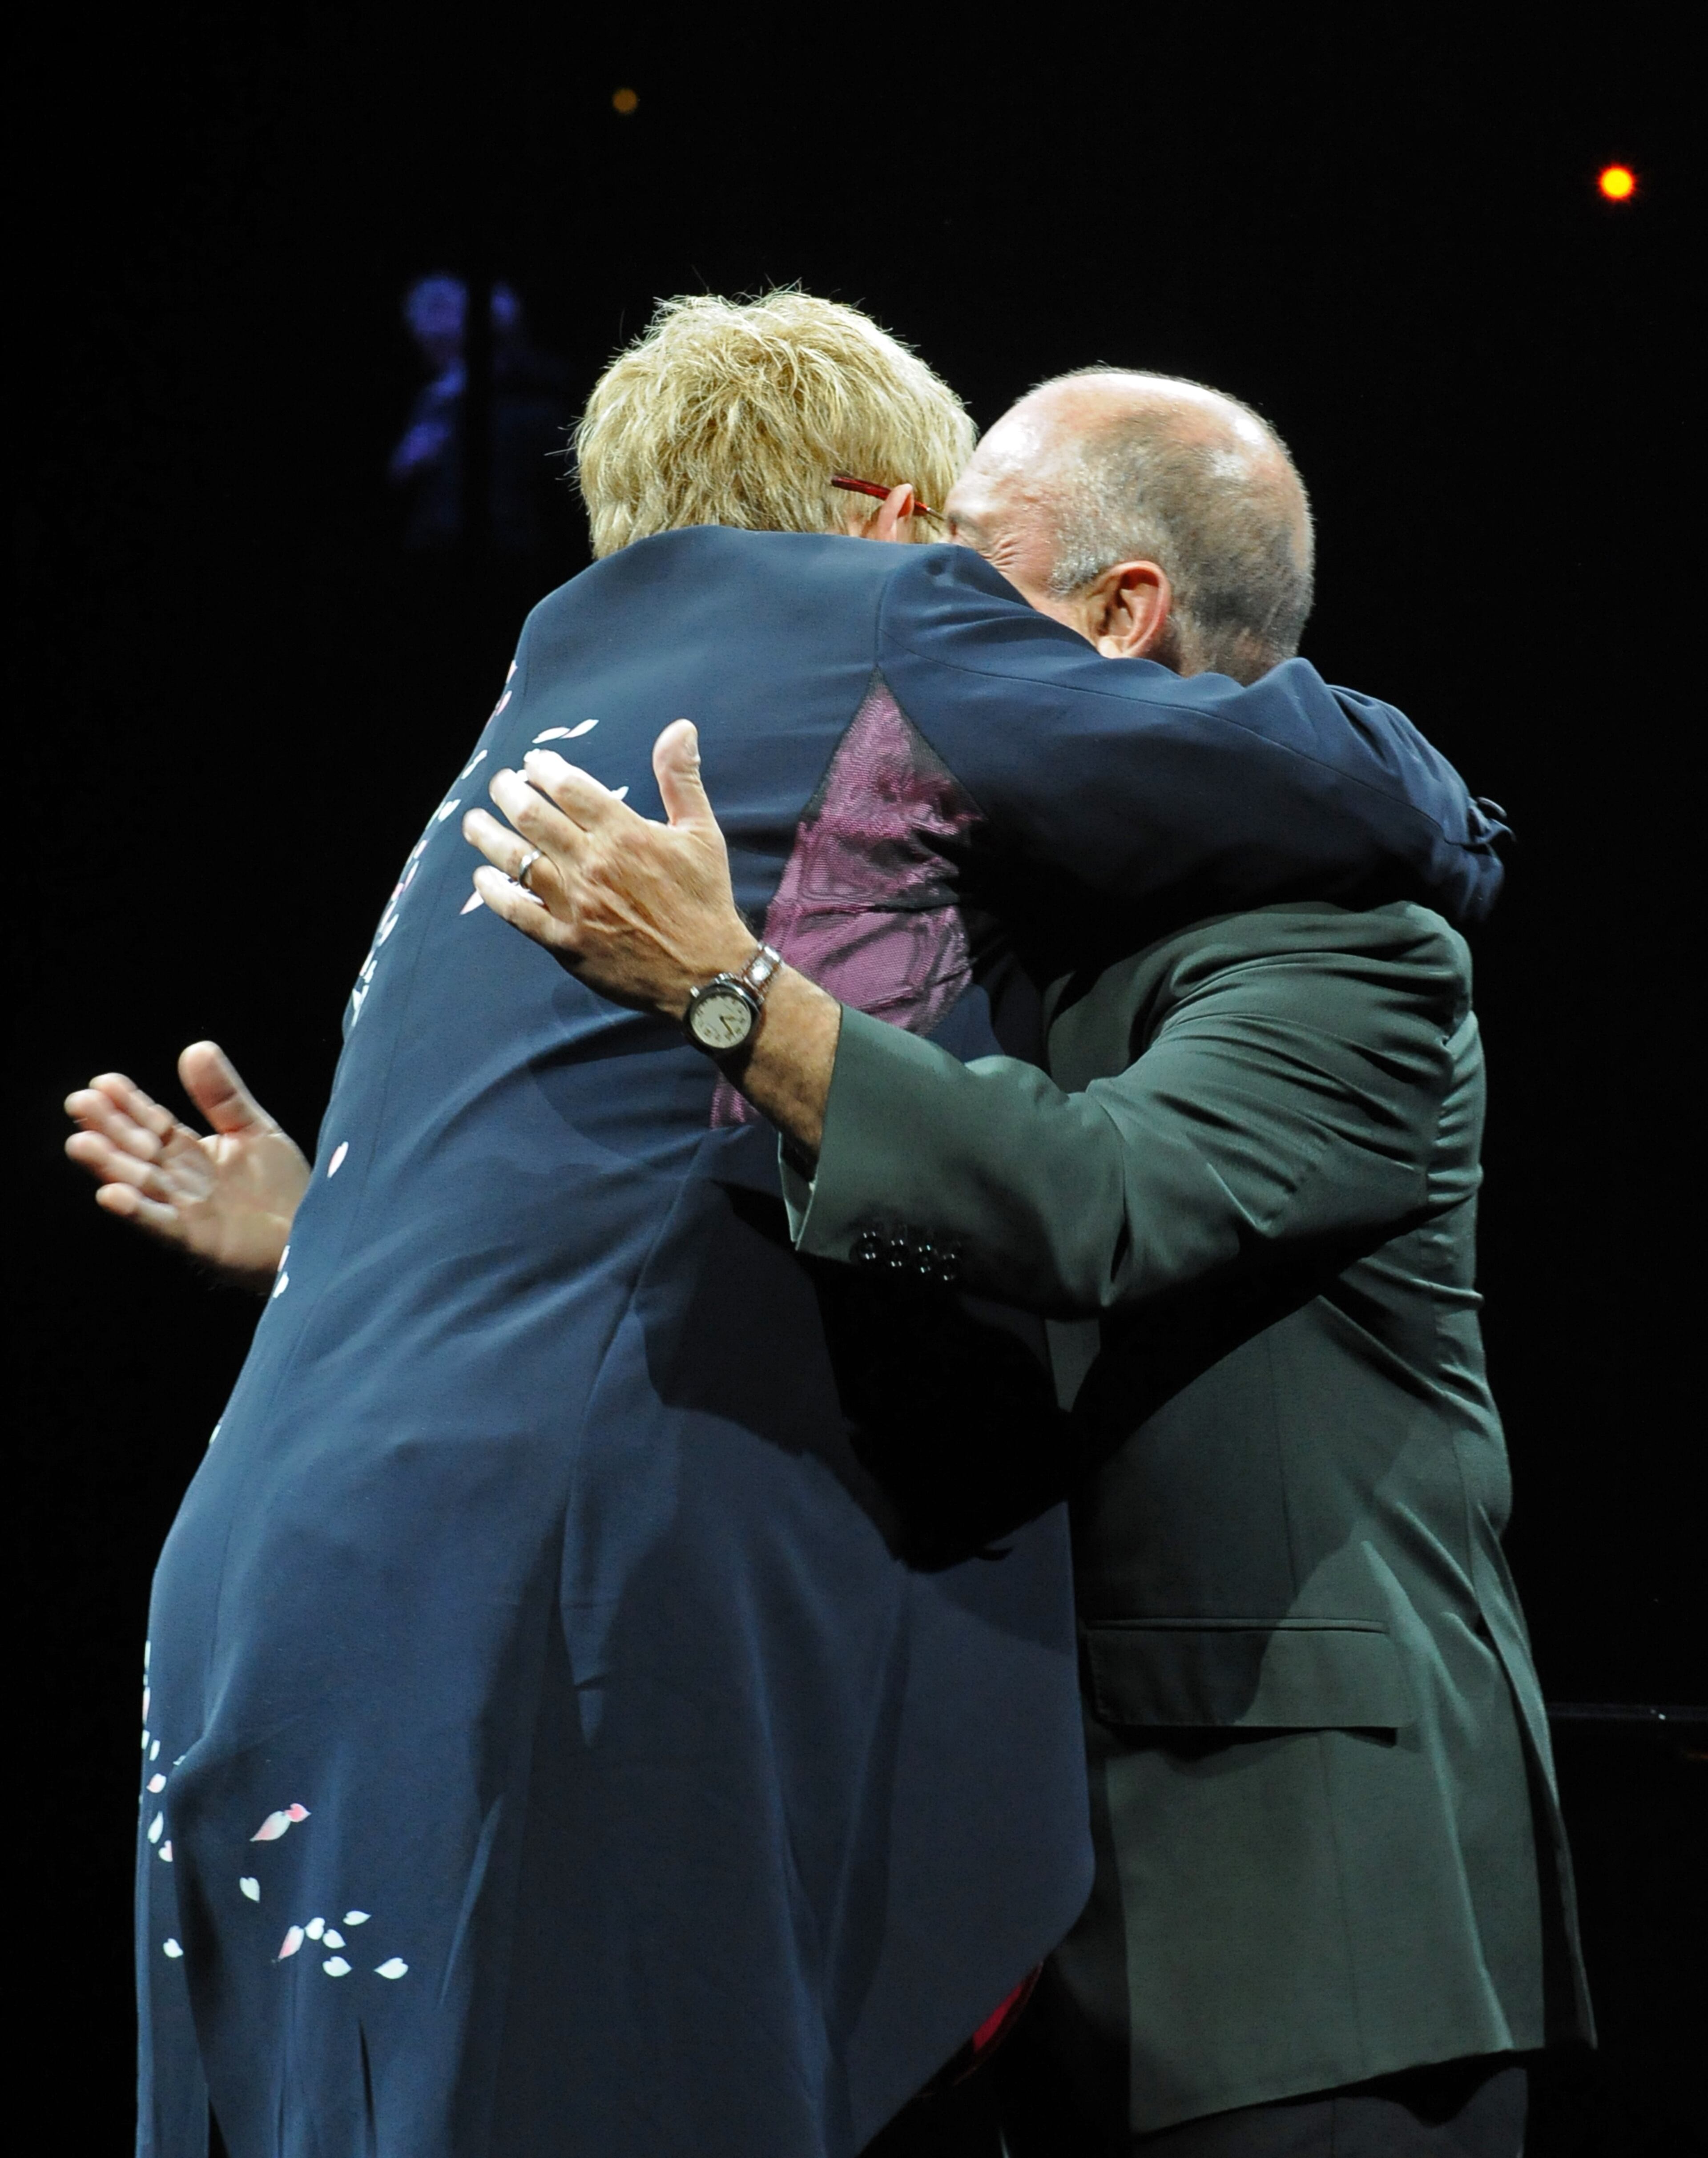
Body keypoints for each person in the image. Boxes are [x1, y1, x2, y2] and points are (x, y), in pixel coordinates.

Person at [66, 298, 1504, 2158]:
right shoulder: (877, 622)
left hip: (260, 1573)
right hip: (559, 1564)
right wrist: (1458, 817)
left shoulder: (518, 736)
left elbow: (578, 1174)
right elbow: (1307, 782)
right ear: (886, 510)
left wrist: (320, 1235)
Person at [458, 371, 1591, 2158]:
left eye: (964, 561)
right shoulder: (1004, 930)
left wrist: (733, 995)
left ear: (1119, 614)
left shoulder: (1346, 941)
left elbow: (1104, 1201)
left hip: (1300, 1944)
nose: (898, 606)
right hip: (1012, 1953)